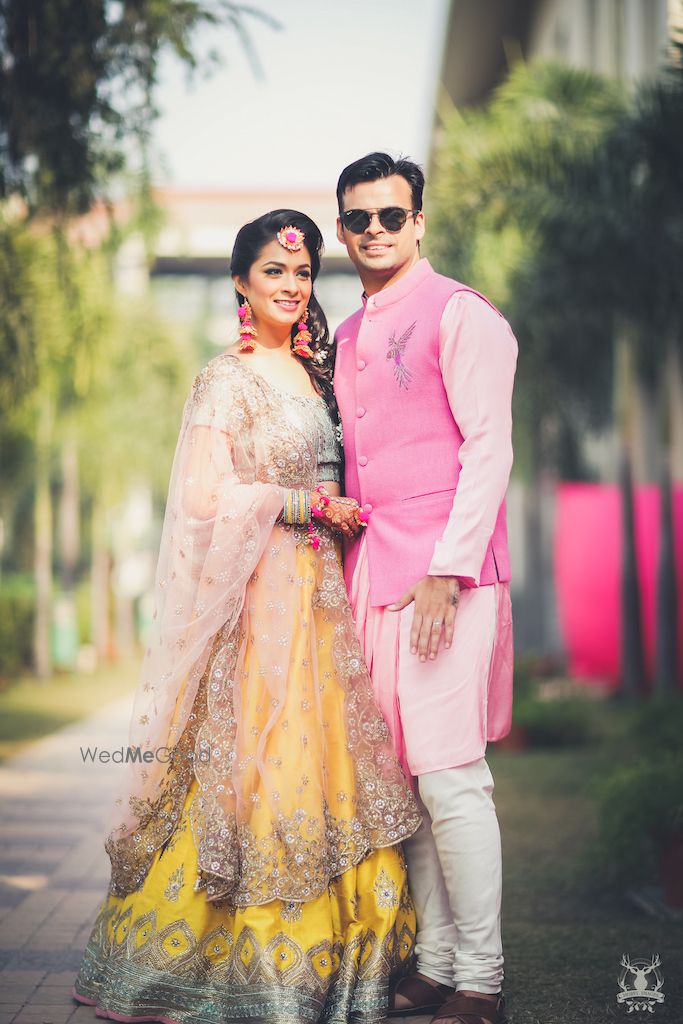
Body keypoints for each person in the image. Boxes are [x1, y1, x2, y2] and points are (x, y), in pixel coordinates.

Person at [73, 209, 421, 1024]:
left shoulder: (317, 374)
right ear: (240, 281)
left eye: (301, 274)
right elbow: (201, 497)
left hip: (326, 607)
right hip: (260, 607)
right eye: (274, 272)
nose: (292, 288)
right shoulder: (224, 378)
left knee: (329, 765)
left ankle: (342, 965)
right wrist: (300, 503)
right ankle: (227, 973)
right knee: (253, 768)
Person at [333, 154, 518, 1024]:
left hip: (447, 576)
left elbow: (488, 449)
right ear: (343, 230)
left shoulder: (462, 314)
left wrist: (447, 570)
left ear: (419, 223)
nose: (376, 229)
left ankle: (480, 976)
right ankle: (437, 961)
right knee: (403, 788)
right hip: (372, 577)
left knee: (450, 779)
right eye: (359, 218)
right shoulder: (342, 334)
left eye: (391, 215)